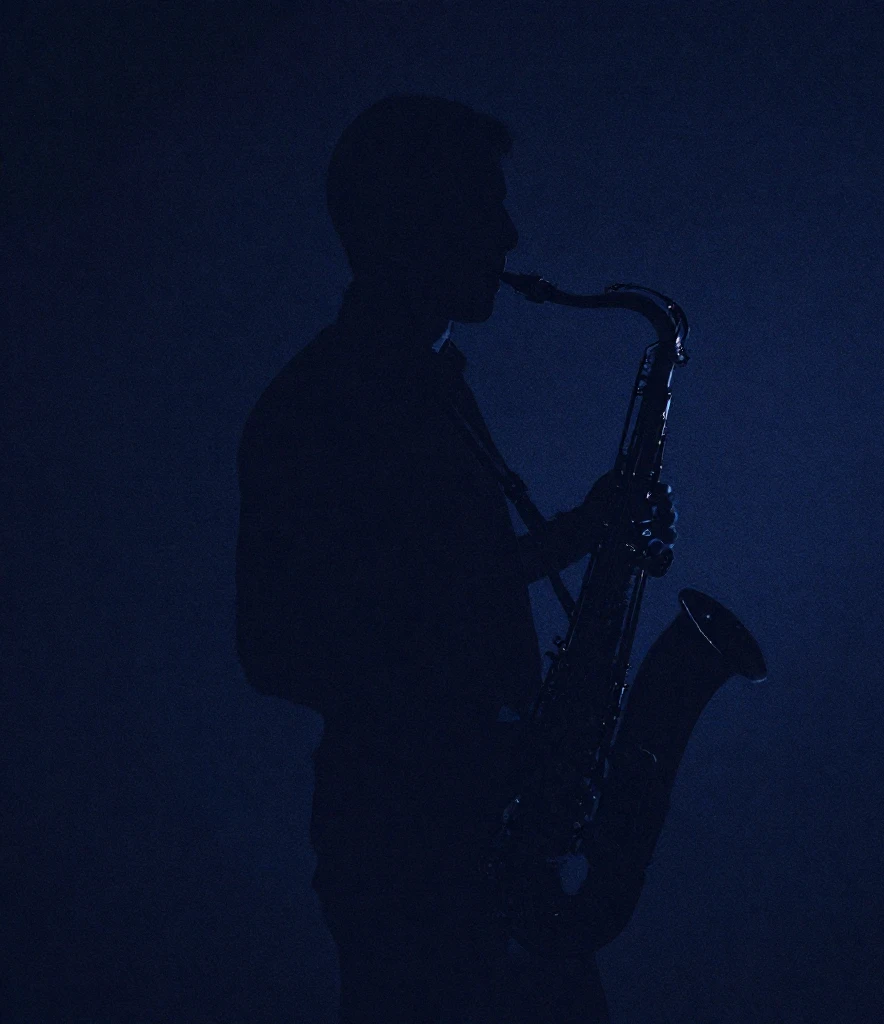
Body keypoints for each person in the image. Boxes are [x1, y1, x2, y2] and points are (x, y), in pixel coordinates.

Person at [234, 94, 676, 1023]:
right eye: (484, 206)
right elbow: (273, 648)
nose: (509, 235)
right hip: (413, 848)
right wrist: (465, 730)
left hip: (470, 831)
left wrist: (582, 536)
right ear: (412, 221)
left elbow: (443, 587)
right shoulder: (324, 402)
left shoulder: (426, 381)